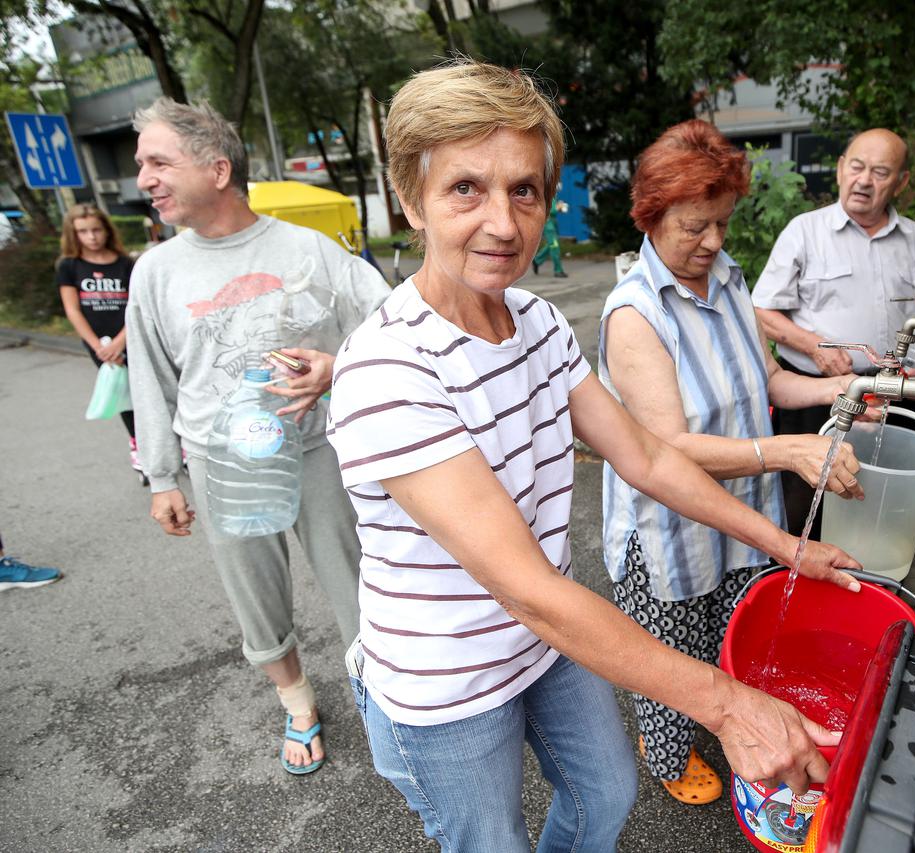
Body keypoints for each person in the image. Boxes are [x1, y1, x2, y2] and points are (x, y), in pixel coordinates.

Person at [327, 60, 863, 852]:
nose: (504, 224)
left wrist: (788, 545)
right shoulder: (388, 369)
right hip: (447, 685)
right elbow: (528, 588)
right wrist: (728, 703)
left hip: (545, 643)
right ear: (411, 199)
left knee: (606, 795)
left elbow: (645, 454)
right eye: (465, 189)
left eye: (525, 190)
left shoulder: (538, 321)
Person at [599, 119, 870, 804]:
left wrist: (834, 390)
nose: (714, 242)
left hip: (739, 515)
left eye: (721, 223)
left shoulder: (726, 278)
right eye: (696, 227)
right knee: (670, 656)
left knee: (729, 636)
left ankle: (723, 722)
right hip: (672, 530)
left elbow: (767, 379)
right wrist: (784, 451)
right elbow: (668, 449)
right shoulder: (634, 314)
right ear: (653, 216)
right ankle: (663, 752)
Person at [125, 97, 390, 776]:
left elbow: (390, 324)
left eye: (158, 161)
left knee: (358, 580)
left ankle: (385, 695)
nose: (143, 179)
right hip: (223, 463)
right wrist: (160, 476)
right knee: (255, 595)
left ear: (218, 168)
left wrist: (339, 368)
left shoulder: (307, 250)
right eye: (139, 165)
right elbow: (149, 379)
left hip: (319, 450)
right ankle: (298, 701)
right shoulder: (155, 273)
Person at [751, 128, 915, 537]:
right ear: (841, 169)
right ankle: (793, 584)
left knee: (882, 506)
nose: (864, 180)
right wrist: (813, 347)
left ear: (901, 182)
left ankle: (869, 589)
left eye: (880, 172)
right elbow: (760, 310)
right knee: (804, 506)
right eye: (857, 167)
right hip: (814, 394)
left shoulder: (914, 239)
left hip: (894, 397)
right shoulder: (804, 231)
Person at [56, 203, 138, 471]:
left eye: (96, 230)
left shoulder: (126, 264)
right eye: (83, 231)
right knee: (123, 393)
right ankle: (138, 445)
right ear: (73, 234)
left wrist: (120, 341)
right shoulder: (69, 266)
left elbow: (137, 307)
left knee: (147, 390)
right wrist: (98, 347)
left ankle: (171, 445)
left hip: (130, 337)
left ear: (106, 230)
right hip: (99, 344)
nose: (91, 237)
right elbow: (72, 309)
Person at [532, 191, 568, 277]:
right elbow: (548, 209)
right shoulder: (545, 189)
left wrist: (559, 205)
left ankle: (537, 260)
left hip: (553, 222)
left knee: (551, 244)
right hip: (548, 223)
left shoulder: (552, 189)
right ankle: (558, 271)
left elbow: (553, 205)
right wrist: (558, 207)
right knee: (554, 246)